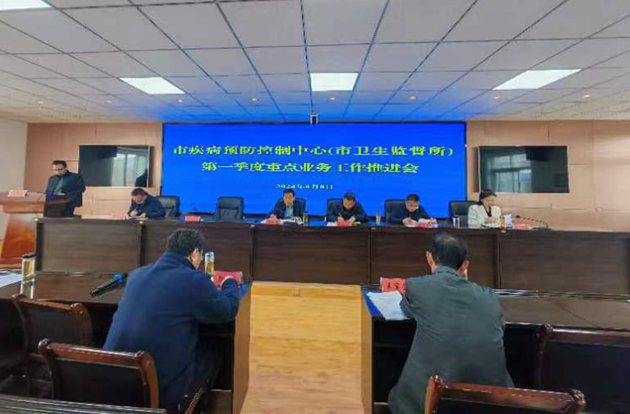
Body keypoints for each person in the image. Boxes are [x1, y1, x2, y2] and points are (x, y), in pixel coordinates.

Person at [104, 229, 240, 412]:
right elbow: (227, 310)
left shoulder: (137, 274)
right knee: (216, 347)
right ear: (195, 253)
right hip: (158, 388)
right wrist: (230, 283)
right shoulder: (194, 280)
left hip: (113, 379)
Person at [388, 233, 513, 414]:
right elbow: (499, 326)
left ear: (429, 258)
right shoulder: (489, 296)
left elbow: (406, 309)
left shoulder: (417, 287)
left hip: (429, 404)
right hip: (490, 404)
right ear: (465, 265)